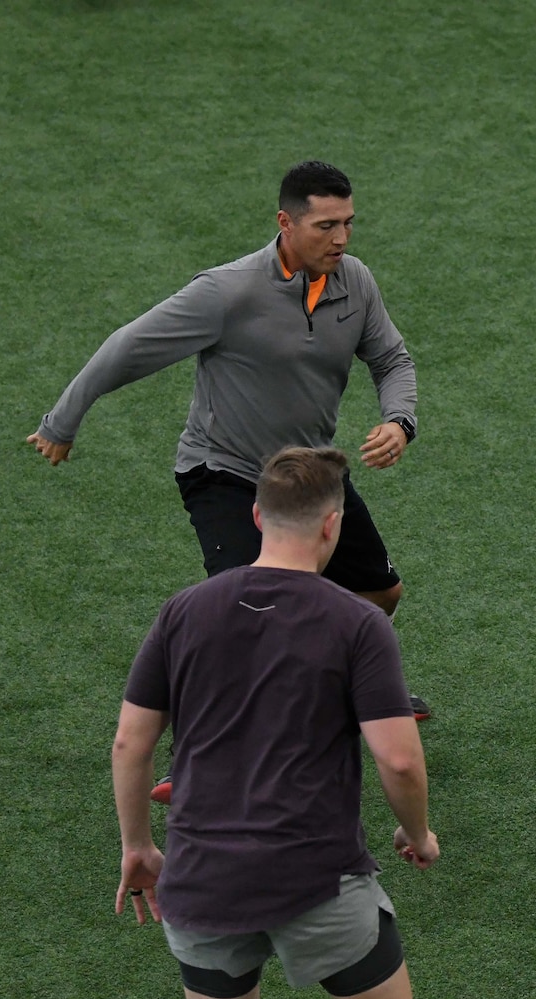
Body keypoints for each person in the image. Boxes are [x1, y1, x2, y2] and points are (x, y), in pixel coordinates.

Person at [110, 447, 441, 999]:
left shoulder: (184, 611)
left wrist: (139, 845)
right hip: (312, 877)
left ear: (257, 515)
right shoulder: (356, 623)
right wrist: (419, 833)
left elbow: (130, 743)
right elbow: (398, 756)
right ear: (332, 526)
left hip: (202, 875)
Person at [27, 159, 429, 717]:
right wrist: (61, 423)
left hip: (310, 475)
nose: (341, 239)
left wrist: (398, 420)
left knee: (380, 595)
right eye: (326, 227)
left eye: (348, 224)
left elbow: (391, 359)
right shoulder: (227, 291)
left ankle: (330, 683)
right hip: (227, 473)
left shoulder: (354, 281)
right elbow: (128, 346)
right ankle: (198, 752)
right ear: (285, 223)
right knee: (249, 613)